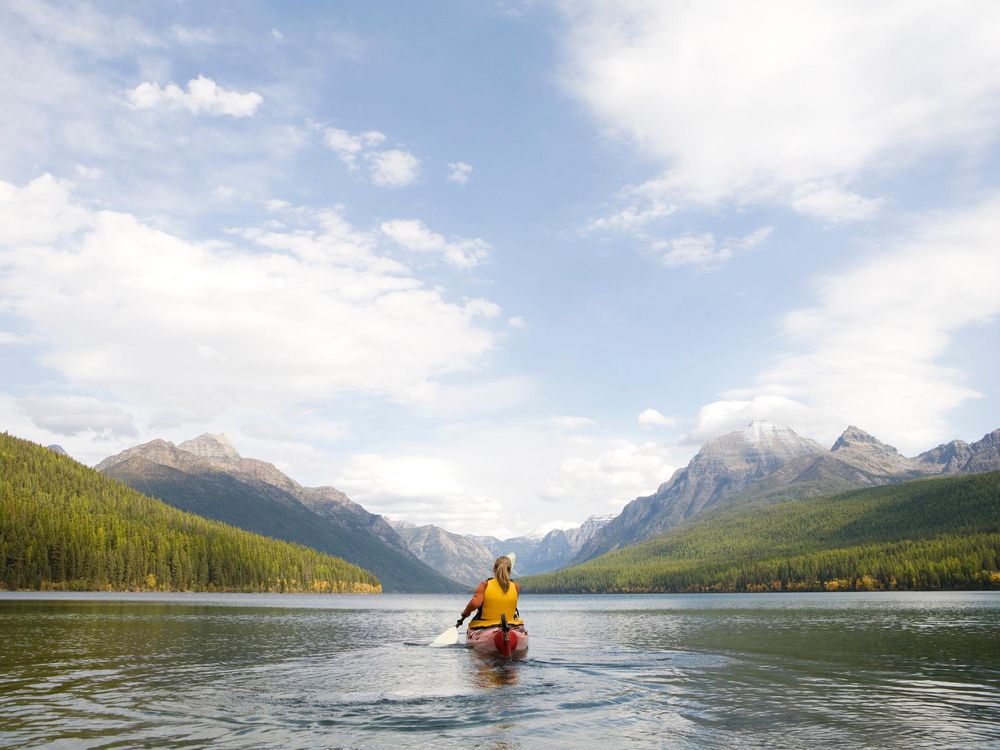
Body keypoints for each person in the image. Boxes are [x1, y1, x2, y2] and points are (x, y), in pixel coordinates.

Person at [456, 554, 524, 631]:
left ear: (494, 570)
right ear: (510, 571)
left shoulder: (485, 585)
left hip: (486, 626)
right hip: (511, 625)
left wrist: (465, 613)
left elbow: (475, 603)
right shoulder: (516, 587)